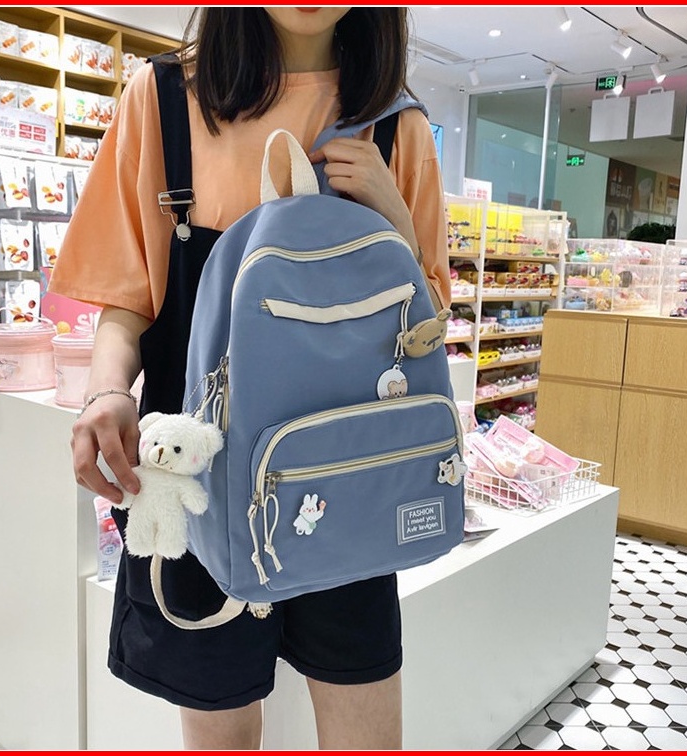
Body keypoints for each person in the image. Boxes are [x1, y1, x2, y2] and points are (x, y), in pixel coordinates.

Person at [49, 7, 451, 750]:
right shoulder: (163, 100)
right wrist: (106, 393)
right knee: (218, 733)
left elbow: (426, 325)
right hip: (195, 481)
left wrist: (392, 216)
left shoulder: (397, 127)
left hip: (348, 477)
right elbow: (128, 301)